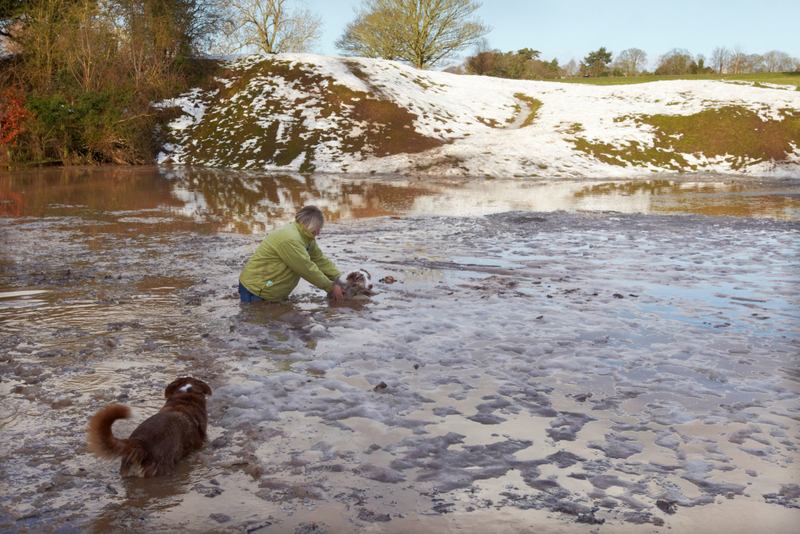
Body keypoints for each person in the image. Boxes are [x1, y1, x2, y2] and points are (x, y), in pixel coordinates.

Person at [238, 206, 344, 302]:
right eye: (316, 228)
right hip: (257, 289)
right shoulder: (291, 238)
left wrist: (341, 279)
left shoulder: (306, 236)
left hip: (271, 290)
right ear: (307, 224)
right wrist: (331, 288)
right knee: (255, 321)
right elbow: (306, 268)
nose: (318, 232)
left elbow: (320, 260)